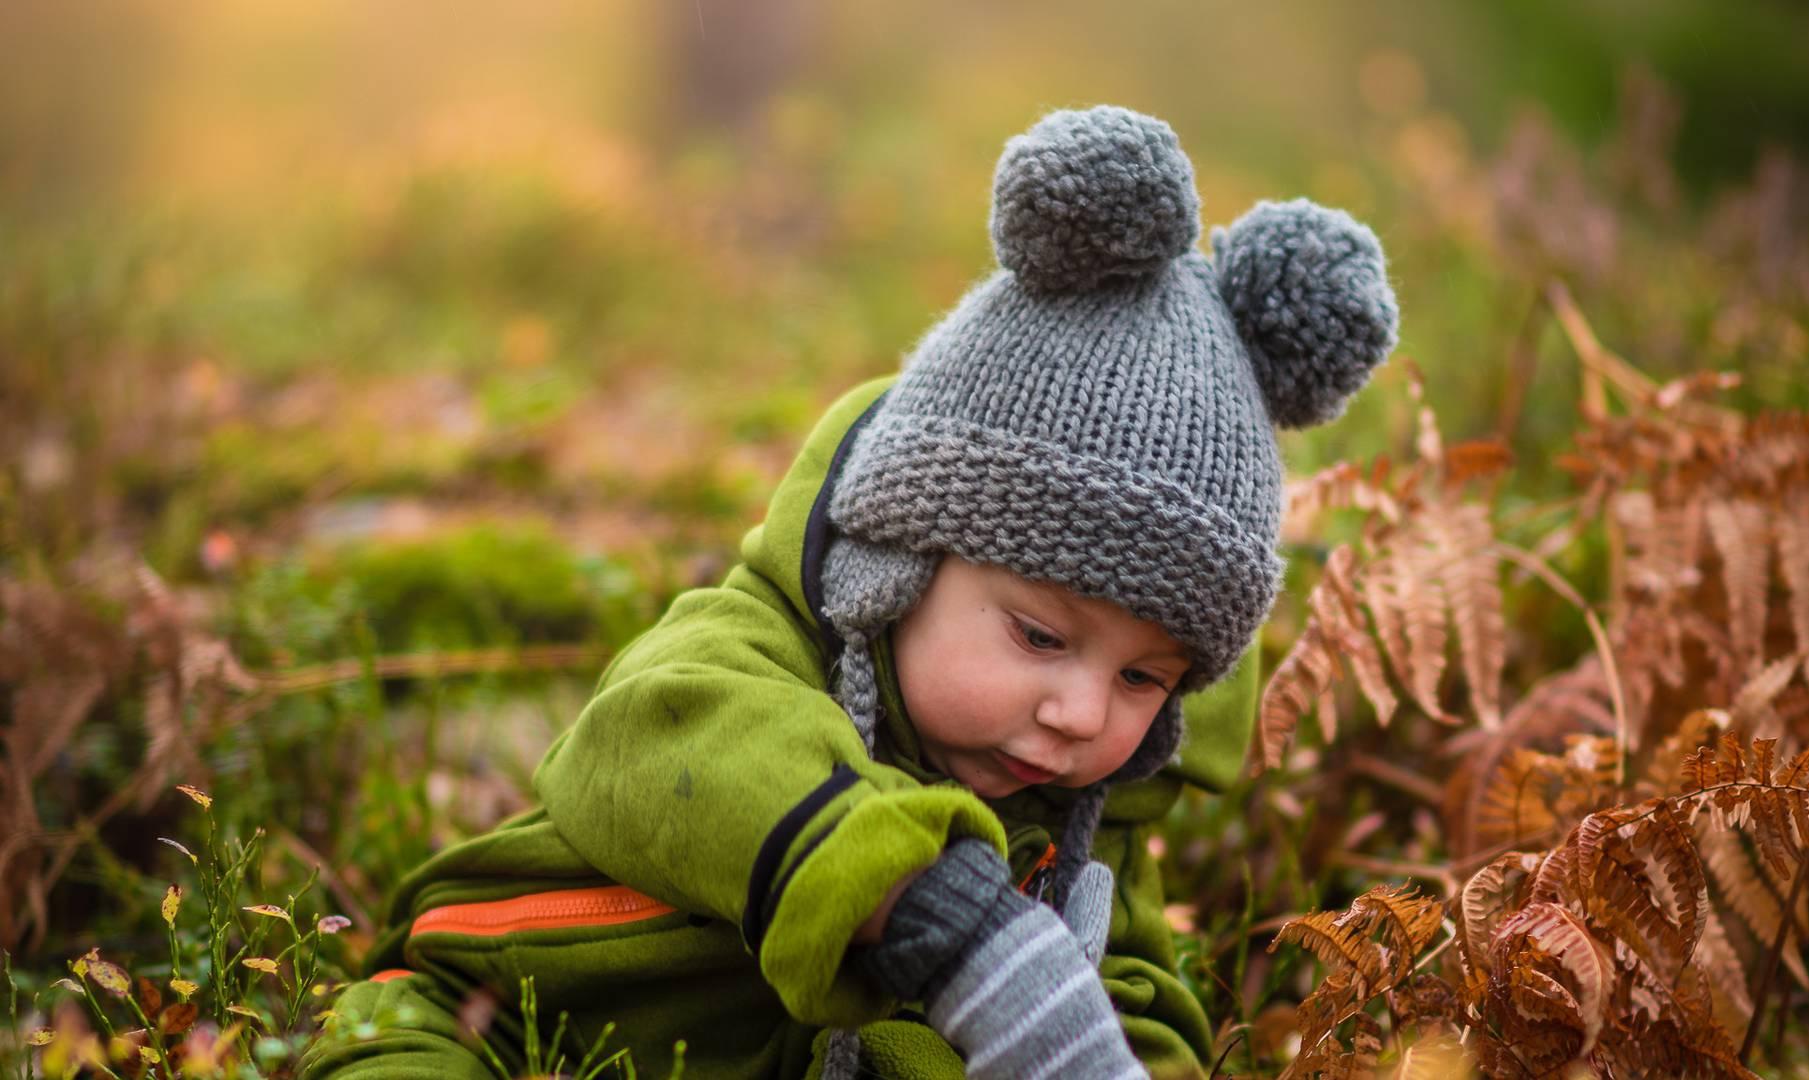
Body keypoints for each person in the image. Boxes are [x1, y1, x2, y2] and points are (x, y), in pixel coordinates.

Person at [301, 103, 1398, 1080]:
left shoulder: (1079, 830)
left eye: (1143, 678)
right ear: (900, 563)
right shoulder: (743, 654)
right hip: (489, 1010)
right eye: (1037, 637)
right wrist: (926, 907)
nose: (1080, 713)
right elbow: (652, 743)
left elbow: (1126, 1002)